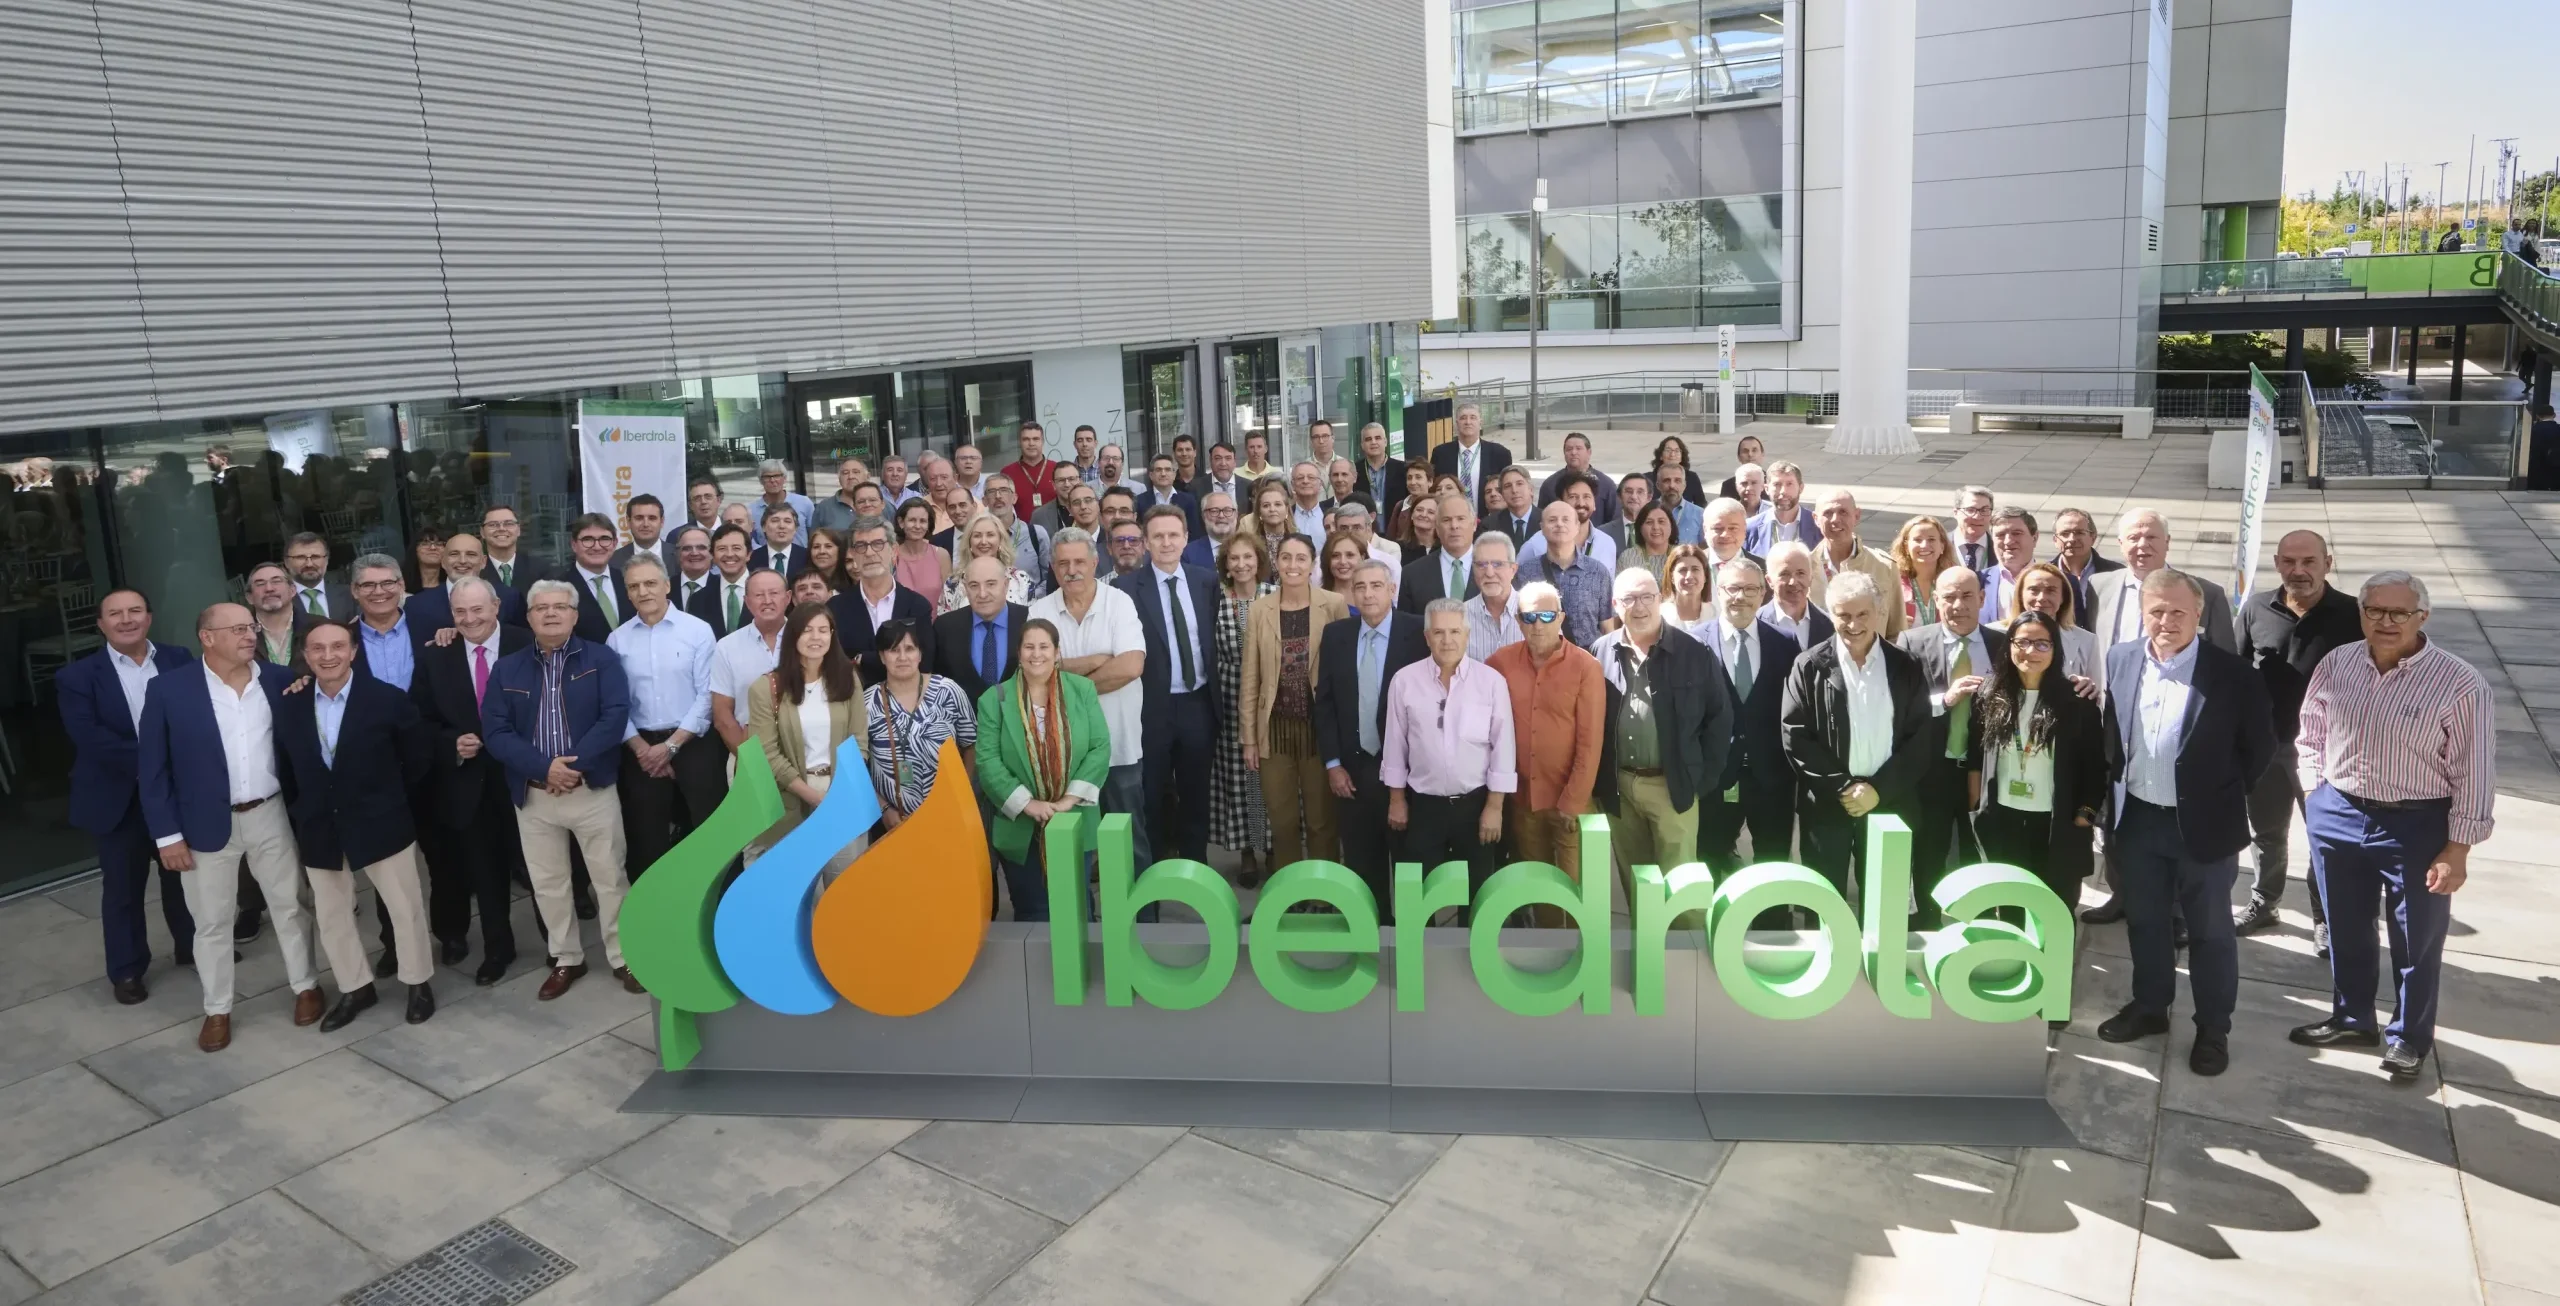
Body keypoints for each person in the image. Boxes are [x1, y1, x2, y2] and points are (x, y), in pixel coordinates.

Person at [2288, 570, 2495, 1081]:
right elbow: (2309, 733)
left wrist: (2458, 849)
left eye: (2399, 613)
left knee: (2416, 939)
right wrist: (2316, 796)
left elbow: (2474, 770)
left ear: (2422, 617)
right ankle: (2353, 1016)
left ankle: (2408, 1038)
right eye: (2375, 610)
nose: (2385, 622)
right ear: (2361, 613)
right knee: (2344, 926)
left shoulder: (2460, 682)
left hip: (2417, 824)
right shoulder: (2338, 664)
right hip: (2337, 811)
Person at [2093, 569, 2272, 1077]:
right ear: (2143, 613)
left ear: (2198, 614)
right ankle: (2150, 1008)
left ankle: (2213, 1028)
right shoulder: (2122, 658)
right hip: (2138, 821)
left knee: (2211, 932)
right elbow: (2115, 735)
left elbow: (2257, 750)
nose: (2166, 621)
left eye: (2177, 611)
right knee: (2147, 922)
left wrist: (2216, 794)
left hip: (2204, 826)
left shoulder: (2233, 674)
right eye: (2156, 611)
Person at [137, 602, 323, 1051]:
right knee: (212, 922)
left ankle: (306, 986)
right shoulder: (169, 691)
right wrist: (167, 836)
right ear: (207, 637)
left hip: (270, 813)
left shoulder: (280, 682)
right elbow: (153, 769)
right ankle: (217, 1010)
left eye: (252, 627)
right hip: (203, 825)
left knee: (290, 906)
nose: (249, 636)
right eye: (238, 628)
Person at [480, 579, 645, 1000]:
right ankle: (567, 957)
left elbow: (614, 717)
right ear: (529, 616)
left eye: (559, 607)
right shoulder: (507, 668)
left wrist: (569, 767)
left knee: (610, 878)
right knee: (549, 883)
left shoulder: (601, 659)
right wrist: (544, 769)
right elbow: (496, 731)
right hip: (534, 796)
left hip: (590, 789)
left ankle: (624, 956)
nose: (550, 613)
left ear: (574, 614)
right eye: (541, 608)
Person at [276, 619, 436, 1030]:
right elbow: (287, 767)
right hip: (319, 825)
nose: (327, 655)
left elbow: (416, 761)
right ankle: (355, 987)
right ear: (306, 656)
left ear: (353, 651)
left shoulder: (388, 700)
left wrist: (388, 799)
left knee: (405, 907)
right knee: (331, 914)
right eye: (317, 649)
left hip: (381, 819)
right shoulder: (290, 705)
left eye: (337, 647)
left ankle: (418, 983)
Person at [61, 588, 200, 1003]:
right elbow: (89, 737)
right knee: (123, 889)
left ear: (149, 617)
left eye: (135, 611)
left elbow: (196, 717)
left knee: (184, 879)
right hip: (117, 798)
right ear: (101, 624)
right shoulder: (76, 676)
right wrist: (155, 762)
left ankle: (192, 948)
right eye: (115, 614)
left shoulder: (178, 659)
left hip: (174, 795)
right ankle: (127, 970)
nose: (126, 620)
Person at [2234, 529, 2362, 937]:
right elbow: (2234, 673)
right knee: (2267, 833)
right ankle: (2264, 902)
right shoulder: (2256, 608)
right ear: (2276, 563)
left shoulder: (2354, 614)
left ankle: (2324, 916)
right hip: (2268, 746)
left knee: (2325, 836)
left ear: (2328, 563)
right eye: (2289, 562)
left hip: (2330, 751)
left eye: (2309, 562)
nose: (2299, 570)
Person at [1779, 573, 1932, 904]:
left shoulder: (1905, 665)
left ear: (1878, 611)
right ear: (1830, 613)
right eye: (1843, 615)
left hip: (1890, 805)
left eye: (1862, 614)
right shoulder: (1808, 666)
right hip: (1828, 808)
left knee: (1885, 909)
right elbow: (1796, 736)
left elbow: (1920, 738)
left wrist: (1878, 789)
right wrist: (1843, 788)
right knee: (1823, 905)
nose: (1853, 624)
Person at [409, 577, 530, 986]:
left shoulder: (526, 643)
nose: (469, 619)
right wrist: (450, 743)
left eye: (477, 609)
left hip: (525, 774)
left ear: (496, 606)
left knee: (541, 866)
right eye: (460, 612)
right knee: (484, 868)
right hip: (469, 780)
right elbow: (420, 720)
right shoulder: (436, 657)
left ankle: (558, 944)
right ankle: (499, 947)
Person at [1591, 569, 1731, 900]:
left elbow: (1720, 720)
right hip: (1621, 787)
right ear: (1615, 604)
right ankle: (1645, 950)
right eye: (1629, 599)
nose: (1639, 607)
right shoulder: (1600, 651)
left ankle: (1684, 952)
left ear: (1660, 599)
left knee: (1680, 884)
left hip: (1673, 787)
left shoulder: (1695, 652)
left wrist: (1700, 780)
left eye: (1646, 597)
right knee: (1636, 882)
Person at [1965, 609, 2105, 930]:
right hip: (2003, 819)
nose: (2031, 652)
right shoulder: (1989, 695)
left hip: (2055, 823)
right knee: (2009, 906)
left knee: (2054, 911)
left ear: (2056, 649)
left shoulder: (2077, 702)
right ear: (2009, 645)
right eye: (2023, 642)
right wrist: (1975, 804)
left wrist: (2085, 813)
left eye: (2042, 644)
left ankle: (2052, 974)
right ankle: (2014, 969)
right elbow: (1976, 757)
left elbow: (2095, 766)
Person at [1029, 528, 1153, 866]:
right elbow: (1037, 676)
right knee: (1074, 844)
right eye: (1063, 563)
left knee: (1130, 836)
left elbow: (1130, 666)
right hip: (1065, 749)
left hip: (1119, 744)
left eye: (1080, 561)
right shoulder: (1039, 612)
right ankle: (1083, 917)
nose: (1073, 570)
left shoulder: (1119, 602)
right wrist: (1098, 661)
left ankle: (1144, 917)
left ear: (1096, 562)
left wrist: (1065, 672)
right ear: (1053, 568)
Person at [1382, 600, 1517, 907]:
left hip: (1475, 806)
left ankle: (1474, 953)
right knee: (1419, 898)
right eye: (1439, 632)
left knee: (1478, 898)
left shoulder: (1491, 682)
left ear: (1467, 634)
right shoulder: (1404, 681)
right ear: (1427, 636)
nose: (1447, 640)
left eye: (1455, 631)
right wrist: (1397, 800)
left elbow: (1503, 748)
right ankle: (1421, 954)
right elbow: (1395, 745)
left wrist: (1495, 807)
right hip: (1423, 808)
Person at [1483, 582, 1604, 924]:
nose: (1538, 624)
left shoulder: (1586, 667)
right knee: (1539, 888)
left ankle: (1582, 959)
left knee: (1574, 890)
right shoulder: (1500, 663)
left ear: (1561, 618)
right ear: (1518, 621)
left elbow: (1590, 742)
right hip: (1523, 802)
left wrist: (1573, 802)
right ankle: (1550, 959)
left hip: (1569, 802)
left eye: (1547, 615)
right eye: (1530, 616)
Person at [1895, 567, 2009, 922]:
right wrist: (1944, 700)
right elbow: (1899, 706)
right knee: (1930, 852)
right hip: (1933, 770)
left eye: (1966, 596)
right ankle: (1925, 922)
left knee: (1982, 854)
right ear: (1935, 600)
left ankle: (1980, 926)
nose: (1958, 605)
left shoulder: (2004, 645)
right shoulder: (1912, 642)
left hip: (1987, 771)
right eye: (1948, 597)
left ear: (1982, 599)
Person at [976, 618, 1107, 919]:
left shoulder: (1082, 690)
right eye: (1029, 647)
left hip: (1072, 817)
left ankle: (1081, 967)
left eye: (1044, 646)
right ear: (1019, 653)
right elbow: (988, 761)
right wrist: (1028, 804)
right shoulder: (993, 700)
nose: (1037, 654)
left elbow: (1100, 747)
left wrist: (1067, 802)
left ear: (1057, 652)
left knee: (1076, 904)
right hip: (1021, 826)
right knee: (1033, 907)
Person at [1313, 561, 1427, 899]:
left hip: (1407, 771)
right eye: (1360, 586)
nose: (1368, 593)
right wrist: (1332, 765)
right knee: (1363, 865)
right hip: (1353, 770)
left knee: (1409, 866)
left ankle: (1411, 943)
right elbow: (1326, 704)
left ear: (1392, 590)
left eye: (1377, 585)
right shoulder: (1336, 636)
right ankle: (1373, 939)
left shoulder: (1418, 632)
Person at [1116, 505, 1221, 863]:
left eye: (1173, 535)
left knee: (1196, 793)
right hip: (1151, 708)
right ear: (1145, 542)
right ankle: (1155, 871)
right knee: (1152, 793)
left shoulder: (1206, 581)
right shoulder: (1125, 588)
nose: (1166, 542)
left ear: (1186, 539)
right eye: (1158, 536)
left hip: (1198, 703)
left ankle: (1196, 867)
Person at [606, 554, 720, 881]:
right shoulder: (618, 640)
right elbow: (616, 703)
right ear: (627, 593)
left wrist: (671, 746)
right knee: (647, 837)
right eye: (634, 586)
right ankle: (657, 914)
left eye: (650, 583)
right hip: (640, 748)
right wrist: (643, 749)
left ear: (667, 585)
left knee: (707, 828)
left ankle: (714, 905)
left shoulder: (697, 631)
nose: (643, 592)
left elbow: (707, 694)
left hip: (694, 742)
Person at [1241, 531, 1346, 886]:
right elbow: (1250, 676)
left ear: (1313, 564)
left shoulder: (1332, 605)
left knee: (1321, 821)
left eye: (1301, 558)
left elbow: (1342, 672)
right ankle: (1289, 894)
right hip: (1274, 731)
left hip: (1319, 731)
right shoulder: (1259, 609)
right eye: (1286, 557)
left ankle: (1325, 892)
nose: (1293, 565)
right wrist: (1249, 740)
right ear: (1276, 563)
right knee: (1282, 821)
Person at [1699, 559, 1799, 872]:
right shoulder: (1694, 643)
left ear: (1762, 594)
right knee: (1710, 863)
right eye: (1732, 588)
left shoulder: (1785, 643)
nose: (1740, 596)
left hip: (1771, 780)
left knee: (1774, 867)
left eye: (1750, 589)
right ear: (1718, 591)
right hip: (1715, 780)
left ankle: (1772, 924)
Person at [1208, 533, 1277, 884]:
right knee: (1241, 777)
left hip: (1270, 697)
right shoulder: (1217, 600)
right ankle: (1248, 850)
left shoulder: (1274, 596)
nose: (1241, 564)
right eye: (1234, 558)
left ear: (1259, 560)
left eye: (1247, 557)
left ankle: (1275, 846)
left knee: (1271, 775)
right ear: (1226, 564)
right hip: (1230, 697)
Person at [865, 618, 975, 836]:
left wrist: (963, 793)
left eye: (909, 648)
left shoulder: (948, 691)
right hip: (893, 822)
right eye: (894, 650)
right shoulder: (867, 703)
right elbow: (860, 767)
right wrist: (884, 809)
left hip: (948, 814)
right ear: (881, 656)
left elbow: (971, 745)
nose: (902, 657)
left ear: (920, 654)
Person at [830, 515, 937, 686]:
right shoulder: (835, 608)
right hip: (854, 703)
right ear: (852, 554)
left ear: (894, 550)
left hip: (907, 703)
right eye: (861, 546)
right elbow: (835, 664)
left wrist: (864, 659)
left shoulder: (917, 606)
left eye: (878, 544)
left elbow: (924, 662)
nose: (870, 552)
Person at [709, 570, 792, 759]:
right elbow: (722, 716)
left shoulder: (805, 640)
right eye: (759, 595)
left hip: (803, 757)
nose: (767, 600)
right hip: (748, 753)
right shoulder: (727, 646)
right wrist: (750, 759)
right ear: (747, 601)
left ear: (788, 598)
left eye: (774, 593)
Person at [1808, 489, 1904, 640]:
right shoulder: (1803, 570)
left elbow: (1897, 633)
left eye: (1843, 512)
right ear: (1815, 518)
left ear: (1857, 515)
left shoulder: (1884, 567)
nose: (1835, 519)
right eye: (1828, 513)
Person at [933, 554, 1028, 705]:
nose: (982, 594)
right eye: (974, 586)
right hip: (963, 725)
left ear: (1006, 585)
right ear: (965, 589)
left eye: (991, 584)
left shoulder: (1028, 620)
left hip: (1018, 723)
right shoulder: (945, 627)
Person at [1519, 498, 1614, 648]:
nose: (1559, 524)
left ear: (1577, 526)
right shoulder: (1526, 572)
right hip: (1541, 659)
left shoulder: (1598, 571)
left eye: (1565, 519)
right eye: (1552, 520)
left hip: (1587, 661)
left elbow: (1606, 626)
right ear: (1542, 528)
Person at [2006, 562, 2098, 680]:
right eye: (2034, 590)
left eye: (2050, 591)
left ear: (2063, 598)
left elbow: (2096, 693)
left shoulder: (2087, 641)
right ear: (2020, 595)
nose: (2042, 598)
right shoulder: (1995, 634)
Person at [1398, 491, 1481, 614]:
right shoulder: (1412, 574)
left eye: (1461, 519)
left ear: (1474, 524)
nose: (1454, 526)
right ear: (1437, 527)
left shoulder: (1495, 567)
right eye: (1446, 520)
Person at [938, 512, 1036, 615]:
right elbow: (946, 624)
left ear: (1000, 540)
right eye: (977, 536)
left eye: (990, 535)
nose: (983, 541)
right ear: (969, 542)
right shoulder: (953, 583)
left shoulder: (1021, 580)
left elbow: (1031, 620)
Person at [557, 514, 631, 643]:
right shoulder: (558, 587)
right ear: (574, 545)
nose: (597, 546)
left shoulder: (628, 580)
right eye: (588, 539)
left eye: (604, 539)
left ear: (614, 544)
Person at [2048, 507, 2121, 631]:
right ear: (2055, 540)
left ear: (2093, 537)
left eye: (2079, 533)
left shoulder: (2116, 573)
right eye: (2065, 534)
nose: (2071, 539)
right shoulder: (2045, 574)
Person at [1430, 402, 1513, 510]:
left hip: (1489, 519)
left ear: (1480, 423)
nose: (1468, 422)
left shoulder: (1499, 454)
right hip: (1452, 517)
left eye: (1473, 418)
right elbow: (1434, 488)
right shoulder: (1441, 453)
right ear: (1456, 423)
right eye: (1463, 418)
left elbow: (1508, 488)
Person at [686, 522, 758, 637]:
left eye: (736, 548)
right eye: (722, 548)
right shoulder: (698, 600)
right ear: (713, 556)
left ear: (748, 554)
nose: (729, 554)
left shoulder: (766, 592)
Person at [1461, 531, 1523, 659]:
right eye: (1481, 565)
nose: (1489, 573)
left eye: (1498, 564)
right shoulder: (1459, 616)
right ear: (1473, 569)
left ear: (1513, 569)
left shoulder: (1534, 612)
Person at [1759, 541, 1832, 650]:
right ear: (1769, 581)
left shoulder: (1830, 625)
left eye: (1801, 573)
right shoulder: (1755, 624)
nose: (1793, 582)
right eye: (1784, 574)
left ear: (1810, 578)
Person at [246, 561, 314, 668]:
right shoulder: (240, 634)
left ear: (292, 590)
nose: (269, 589)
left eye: (276, 581)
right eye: (260, 584)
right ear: (249, 597)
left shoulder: (318, 626)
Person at [1537, 433, 1618, 522]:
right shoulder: (1550, 484)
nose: (1573, 452)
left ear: (1589, 452)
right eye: (1569, 449)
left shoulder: (1606, 485)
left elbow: (1614, 521)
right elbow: (1542, 518)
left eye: (1578, 448)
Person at [1891, 515, 1953, 630]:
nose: (1924, 545)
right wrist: (1893, 623)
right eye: (1917, 540)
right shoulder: (1892, 582)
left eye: (1931, 539)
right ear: (1905, 547)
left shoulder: (1952, 582)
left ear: (1942, 546)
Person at [1978, 507, 2040, 623]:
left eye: (2016, 533)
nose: (2008, 541)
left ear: (2035, 538)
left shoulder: (2061, 581)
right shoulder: (1977, 581)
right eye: (2000, 535)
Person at [1744, 461, 1817, 554]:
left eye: (1789, 484)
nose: (1783, 491)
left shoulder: (1818, 526)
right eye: (1777, 484)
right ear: (1766, 489)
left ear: (1801, 488)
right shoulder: (1750, 528)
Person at [283, 531, 353, 620]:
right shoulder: (280, 599)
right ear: (286, 562)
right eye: (300, 557)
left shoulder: (349, 595)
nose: (309, 564)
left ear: (327, 560)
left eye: (315, 557)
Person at [749, 459, 816, 549]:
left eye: (777, 476)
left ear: (784, 479)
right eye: (767, 477)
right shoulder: (752, 510)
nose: (772, 480)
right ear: (761, 481)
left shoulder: (804, 503)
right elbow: (750, 541)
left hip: (801, 559)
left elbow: (814, 535)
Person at [998, 420, 1064, 512]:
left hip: (1055, 526)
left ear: (1043, 442)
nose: (1031, 444)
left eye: (1036, 439)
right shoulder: (1007, 473)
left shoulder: (1057, 469)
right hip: (1020, 526)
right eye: (1026, 439)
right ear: (1020, 442)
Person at [1136, 452, 1204, 540]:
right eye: (1158, 470)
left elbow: (1194, 533)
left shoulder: (1188, 500)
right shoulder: (1139, 501)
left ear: (1174, 475)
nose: (1163, 474)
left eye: (1167, 469)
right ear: (1151, 475)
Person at [890, 498, 946, 600]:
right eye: (912, 520)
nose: (917, 526)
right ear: (901, 522)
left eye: (923, 521)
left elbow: (950, 597)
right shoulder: (892, 556)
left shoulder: (941, 555)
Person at [1662, 544, 1718, 643]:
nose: (1689, 576)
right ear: (1672, 577)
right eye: (1682, 570)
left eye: (1695, 569)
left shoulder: (1716, 615)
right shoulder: (1660, 616)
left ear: (1705, 576)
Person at [609, 493, 674, 576]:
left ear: (662, 521)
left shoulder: (679, 556)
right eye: (639, 518)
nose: (645, 524)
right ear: (628, 521)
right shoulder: (613, 560)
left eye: (652, 518)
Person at [1619, 502, 1679, 584]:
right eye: (1649, 522)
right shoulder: (1628, 557)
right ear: (1640, 527)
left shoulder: (1682, 555)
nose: (1656, 527)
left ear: (1671, 525)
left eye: (1661, 522)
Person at [663, 526, 718, 617]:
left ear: (712, 553)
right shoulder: (664, 589)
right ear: (678, 553)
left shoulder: (722, 588)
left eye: (701, 547)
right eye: (687, 548)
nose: (694, 553)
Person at [809, 457, 873, 535]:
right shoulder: (824, 507)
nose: (850, 477)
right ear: (839, 479)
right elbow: (814, 541)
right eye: (845, 473)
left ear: (868, 476)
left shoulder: (880, 504)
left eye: (856, 472)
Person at [751, 503, 808, 580]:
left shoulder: (807, 558)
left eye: (787, 521)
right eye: (775, 521)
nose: (781, 526)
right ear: (764, 527)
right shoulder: (751, 558)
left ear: (795, 528)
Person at [1356, 421, 1406, 509]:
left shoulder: (1402, 469)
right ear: (1362, 445)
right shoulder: (1355, 470)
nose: (1373, 442)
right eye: (1368, 439)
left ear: (1385, 442)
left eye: (1377, 438)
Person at [1486, 465, 1539, 546]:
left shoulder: (1547, 520)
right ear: (1502, 493)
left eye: (1519, 484)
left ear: (1531, 489)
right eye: (1508, 486)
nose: (1514, 490)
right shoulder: (1489, 525)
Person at [1653, 466, 1705, 544]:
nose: (1672, 486)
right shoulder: (1648, 511)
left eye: (1677, 481)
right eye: (1666, 481)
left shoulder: (1700, 514)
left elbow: (1704, 546)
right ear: (1658, 485)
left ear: (1684, 485)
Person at [1285, 460, 1330, 547]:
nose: (1305, 481)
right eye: (1300, 478)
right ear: (1292, 485)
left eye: (1311, 477)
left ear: (1320, 484)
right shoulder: (1286, 516)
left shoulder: (1330, 515)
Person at [1394, 493, 1439, 566]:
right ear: (1412, 515)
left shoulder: (1445, 549)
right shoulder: (1397, 548)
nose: (1424, 515)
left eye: (1430, 512)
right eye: (1419, 510)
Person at [1320, 531, 1368, 599]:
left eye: (1350, 555)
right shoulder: (1317, 599)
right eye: (1335, 556)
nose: (1343, 562)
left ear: (1362, 558)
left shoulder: (1374, 597)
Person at [1717, 435, 1764, 501]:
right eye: (1745, 451)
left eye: (1754, 450)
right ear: (1739, 457)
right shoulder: (1728, 486)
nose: (1750, 454)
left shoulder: (1772, 482)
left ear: (1762, 454)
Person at [405, 524, 447, 595]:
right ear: (415, 550)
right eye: (425, 543)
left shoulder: (453, 586)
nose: (433, 548)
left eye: (439, 544)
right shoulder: (401, 586)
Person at [2527, 403, 2560, 491]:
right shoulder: (2558, 429)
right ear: (2554, 415)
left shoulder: (2533, 430)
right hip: (2556, 469)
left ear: (2537, 416)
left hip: (2537, 470)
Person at [803, 528, 846, 594]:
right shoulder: (802, 582)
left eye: (828, 546)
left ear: (840, 550)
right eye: (816, 547)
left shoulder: (851, 582)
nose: (821, 551)